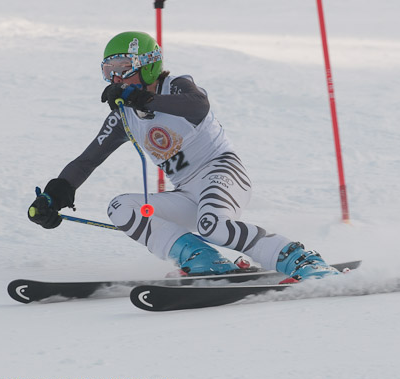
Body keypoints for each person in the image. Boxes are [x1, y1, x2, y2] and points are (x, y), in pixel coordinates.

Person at [28, 31, 340, 282]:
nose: (116, 80)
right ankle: (204, 260)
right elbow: (86, 161)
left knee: (212, 225)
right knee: (121, 207)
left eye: (123, 70)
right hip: (187, 192)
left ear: (148, 64)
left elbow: (197, 106)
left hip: (223, 172)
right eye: (109, 72)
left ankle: (300, 260)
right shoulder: (123, 117)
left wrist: (143, 98)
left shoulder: (176, 87)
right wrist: (53, 197)